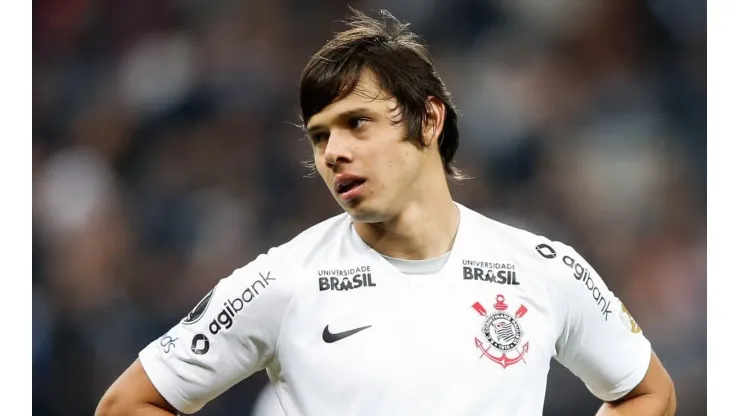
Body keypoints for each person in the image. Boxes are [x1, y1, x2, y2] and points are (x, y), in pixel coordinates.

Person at [95, 8, 676, 416]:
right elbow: (128, 404)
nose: (334, 152)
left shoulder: (545, 269)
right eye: (319, 137)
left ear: (429, 120)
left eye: (357, 123)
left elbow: (647, 392)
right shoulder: (282, 281)